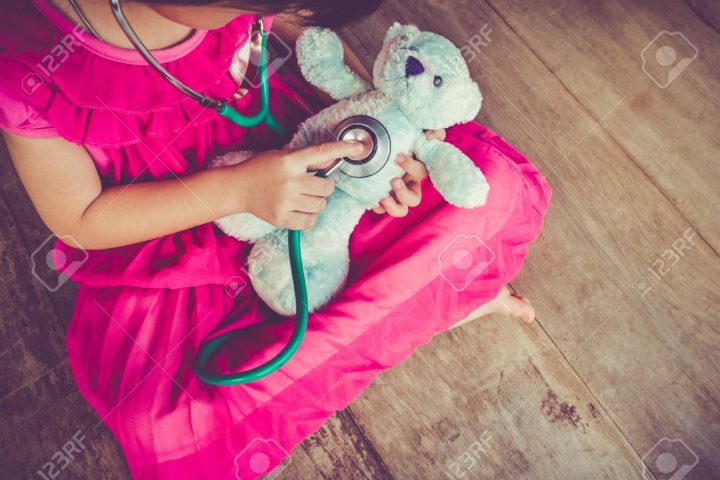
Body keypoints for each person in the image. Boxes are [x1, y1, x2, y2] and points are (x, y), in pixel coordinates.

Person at [0, 0, 551, 477]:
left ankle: (433, 301)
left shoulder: (259, 12)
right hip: (171, 225)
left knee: (491, 193)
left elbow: (305, 31)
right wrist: (236, 190)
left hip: (304, 151)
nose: (258, 18)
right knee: (164, 422)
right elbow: (79, 218)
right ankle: (431, 305)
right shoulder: (25, 62)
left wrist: (385, 141)